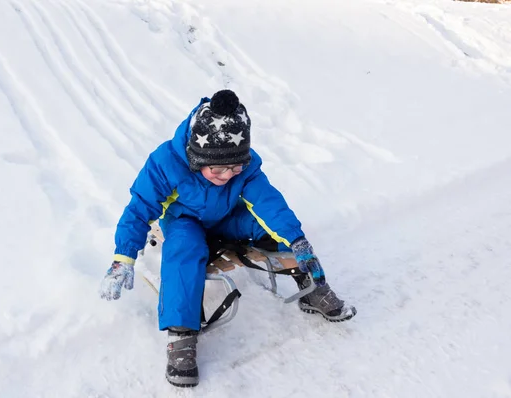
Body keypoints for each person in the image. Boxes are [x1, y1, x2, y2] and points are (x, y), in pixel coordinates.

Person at [99, 90, 356, 388]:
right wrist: (123, 258)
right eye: (218, 169)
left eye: (233, 168)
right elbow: (139, 208)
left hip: (229, 218)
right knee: (183, 253)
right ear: (196, 159)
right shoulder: (166, 163)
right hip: (187, 222)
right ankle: (181, 334)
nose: (226, 176)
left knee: (277, 228)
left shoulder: (245, 166)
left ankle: (310, 285)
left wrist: (299, 242)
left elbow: (268, 204)